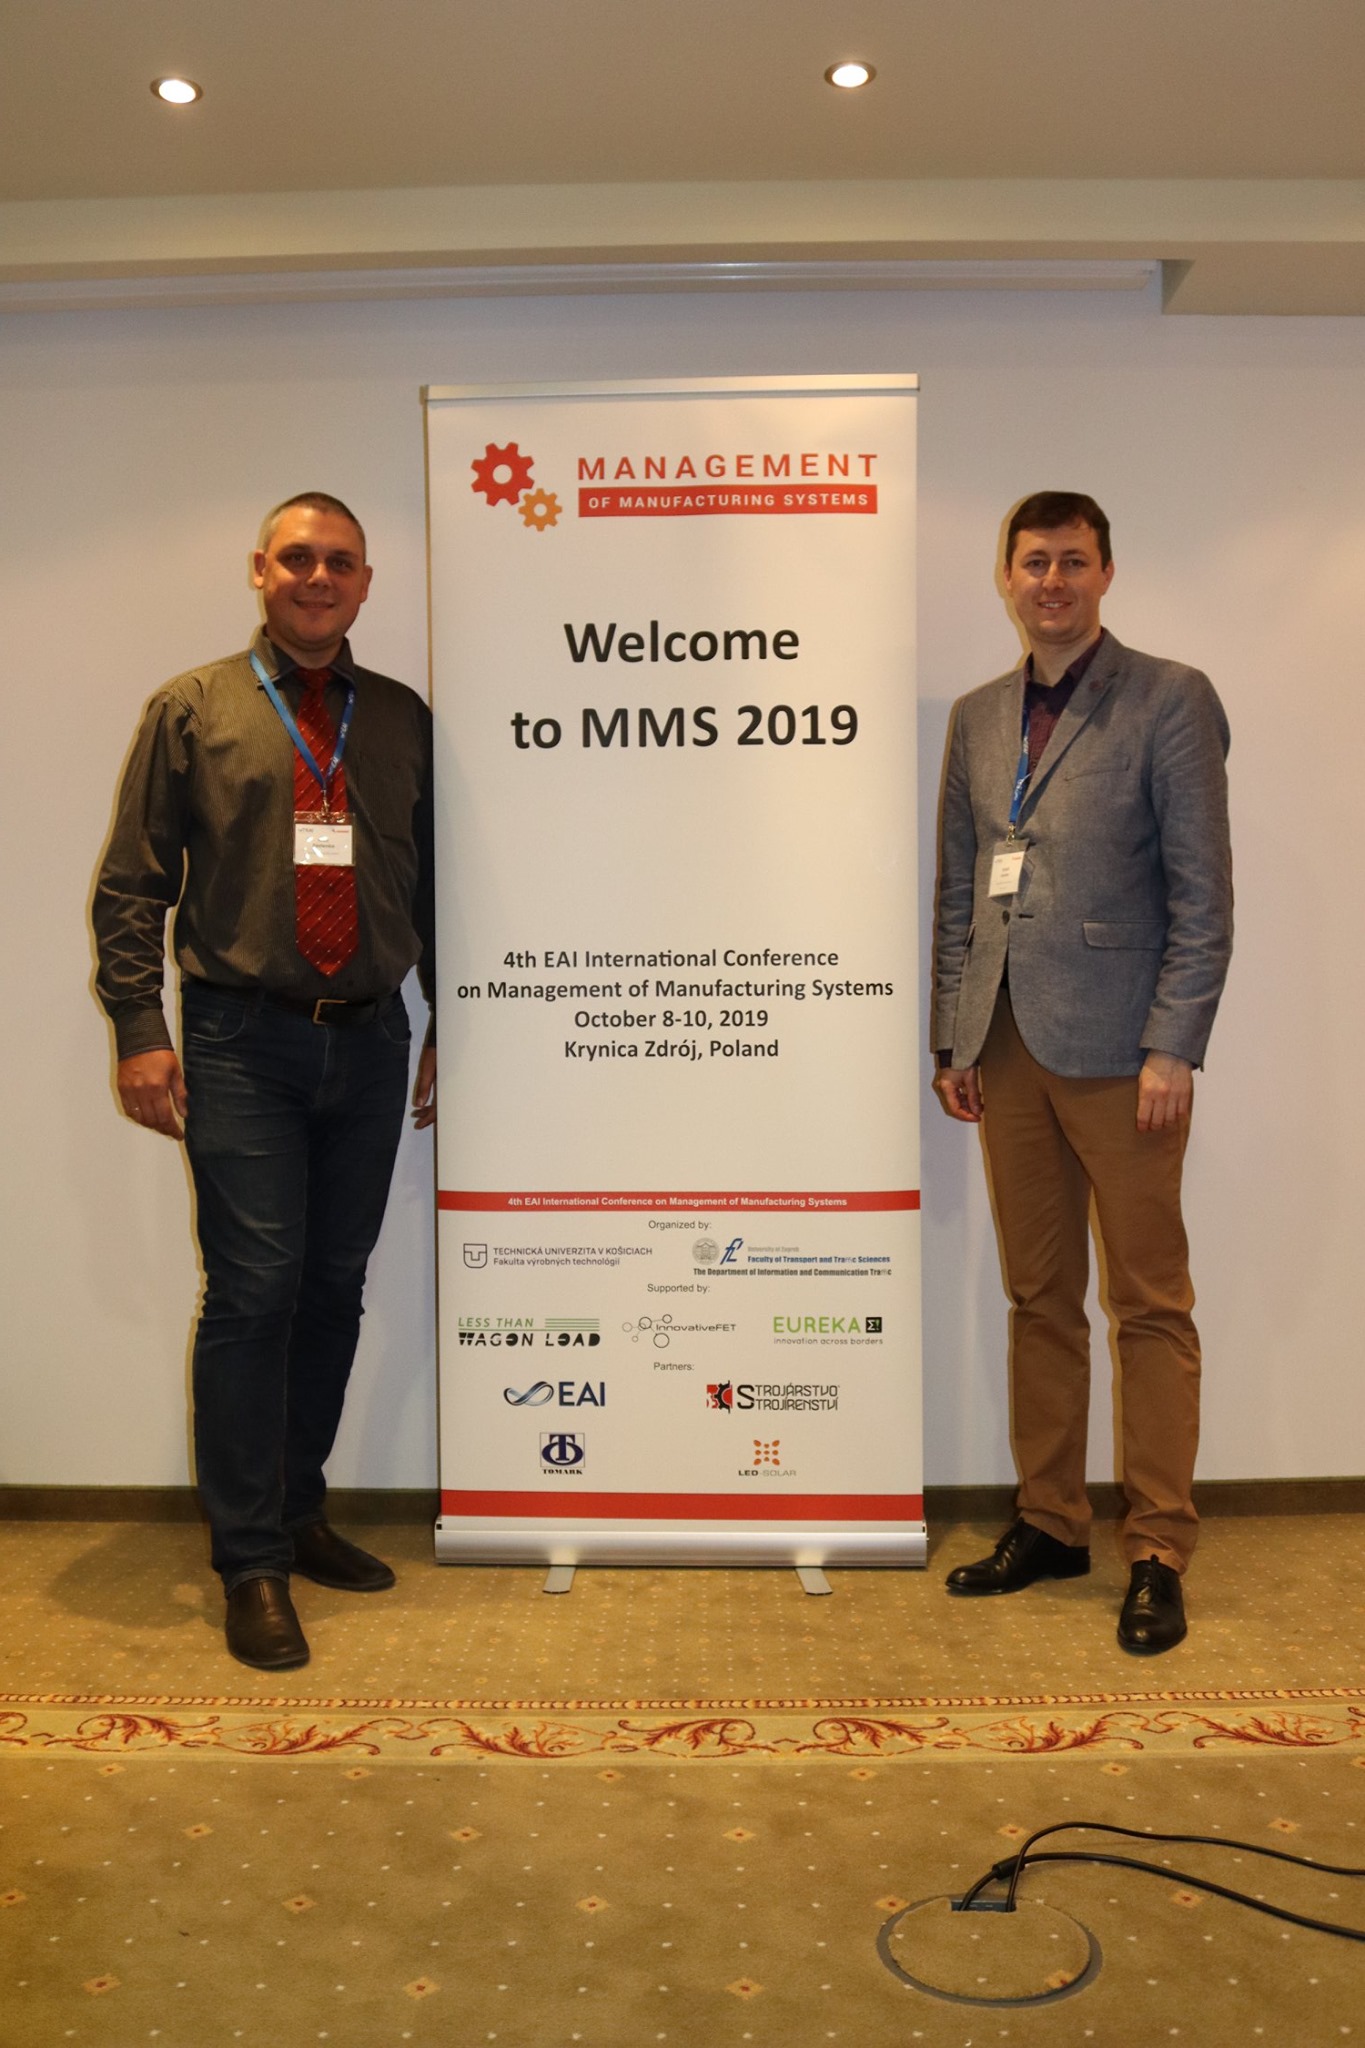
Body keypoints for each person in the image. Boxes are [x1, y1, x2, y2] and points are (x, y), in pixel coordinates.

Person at [94, 493, 436, 1672]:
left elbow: (432, 882)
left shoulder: (401, 718)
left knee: (334, 1284)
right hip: (243, 1039)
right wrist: (139, 1026)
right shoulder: (192, 708)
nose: (317, 576)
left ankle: (297, 1510)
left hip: (373, 1036)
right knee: (254, 1290)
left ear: (366, 580)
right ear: (260, 570)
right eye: (298, 557)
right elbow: (133, 882)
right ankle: (248, 1560)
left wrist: (448, 1019)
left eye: (340, 560)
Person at [932, 491, 1232, 1654]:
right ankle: (1052, 1520)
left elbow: (1203, 893)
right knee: (1039, 1299)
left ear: (1106, 572)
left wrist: (1174, 1043)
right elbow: (960, 887)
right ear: (1005, 575)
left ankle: (1157, 1545)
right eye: (1033, 561)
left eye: (1072, 560)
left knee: (1149, 1304)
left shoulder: (1169, 696)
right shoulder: (976, 716)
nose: (1050, 580)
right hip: (1007, 1043)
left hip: (1126, 1053)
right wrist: (957, 1035)